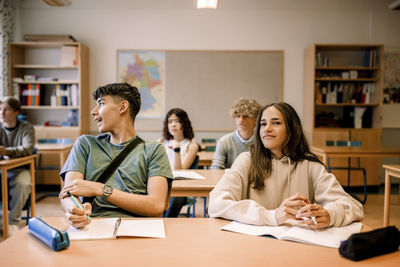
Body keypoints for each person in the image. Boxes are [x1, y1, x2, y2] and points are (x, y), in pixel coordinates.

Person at [208, 102, 364, 228]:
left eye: (275, 123)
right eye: (263, 124)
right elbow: (216, 204)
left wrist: (330, 215)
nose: (267, 129)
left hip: (296, 245)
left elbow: (353, 207)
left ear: (294, 130)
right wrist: (271, 216)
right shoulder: (247, 160)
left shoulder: (311, 165)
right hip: (253, 246)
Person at [59, 82, 173, 229]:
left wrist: (100, 189)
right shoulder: (85, 144)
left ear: (122, 107)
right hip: (91, 226)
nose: (94, 112)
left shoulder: (154, 150)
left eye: (101, 104)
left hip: (138, 229)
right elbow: (68, 193)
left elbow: (156, 205)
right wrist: (73, 210)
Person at [0, 97, 35, 235]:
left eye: (6, 109)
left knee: (22, 184)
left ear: (16, 112)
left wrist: (7, 151)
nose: (2, 112)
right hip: (2, 170)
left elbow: (27, 149)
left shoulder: (26, 128)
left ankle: (12, 222)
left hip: (20, 169)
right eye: (0, 109)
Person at [160, 108, 199, 217]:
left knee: (175, 198)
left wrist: (177, 149)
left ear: (184, 123)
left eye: (177, 121)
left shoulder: (192, 146)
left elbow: (179, 172)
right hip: (162, 183)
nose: (173, 125)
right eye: (170, 121)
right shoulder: (161, 143)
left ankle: (167, 223)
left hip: (180, 187)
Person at [211, 98, 261, 170]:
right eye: (238, 116)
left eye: (246, 116)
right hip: (231, 179)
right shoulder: (224, 142)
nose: (241, 120)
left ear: (256, 119)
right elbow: (216, 168)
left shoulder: (262, 141)